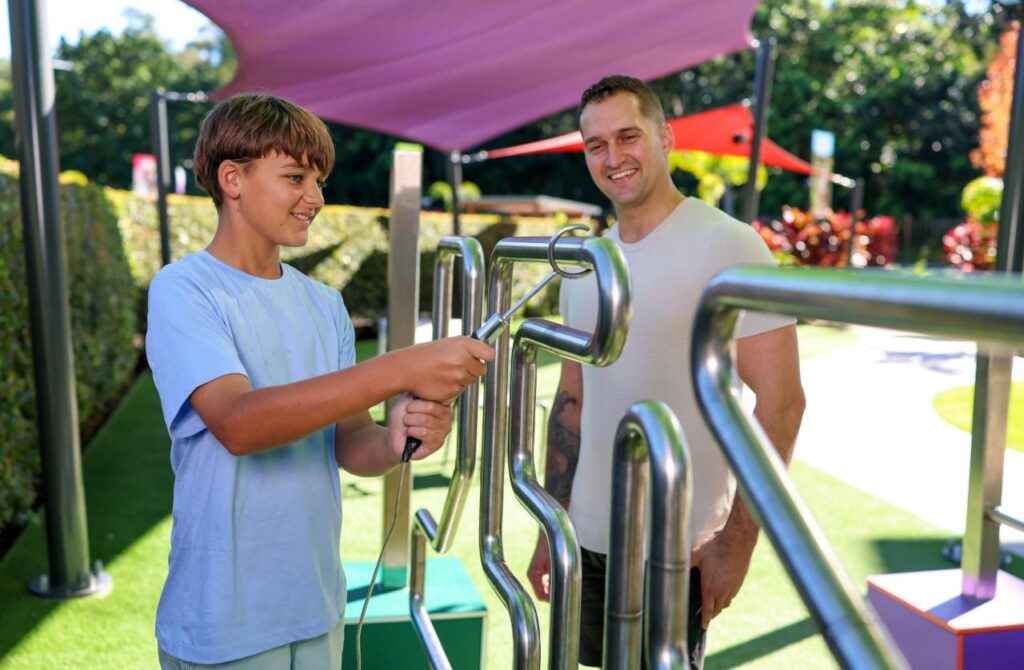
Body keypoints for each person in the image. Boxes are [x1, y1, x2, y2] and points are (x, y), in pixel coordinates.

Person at [146, 94, 494, 668]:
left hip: (316, 605)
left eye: (319, 179)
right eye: (295, 177)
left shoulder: (323, 304)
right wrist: (401, 367)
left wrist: (393, 436)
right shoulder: (185, 290)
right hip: (225, 618)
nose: (316, 198)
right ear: (232, 179)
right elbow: (238, 423)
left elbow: (350, 442)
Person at [526, 75, 806, 668]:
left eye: (628, 136)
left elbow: (782, 403)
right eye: (595, 145)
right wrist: (554, 524)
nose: (613, 157)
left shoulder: (729, 246)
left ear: (666, 138)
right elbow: (572, 401)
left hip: (678, 547)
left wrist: (736, 542)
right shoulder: (587, 263)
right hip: (589, 541)